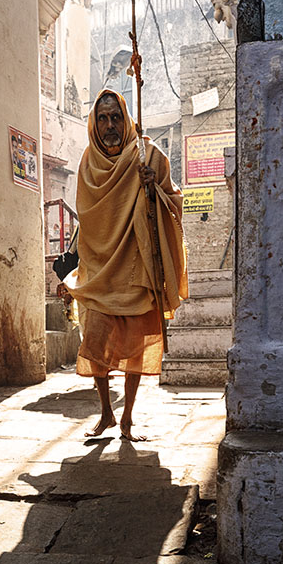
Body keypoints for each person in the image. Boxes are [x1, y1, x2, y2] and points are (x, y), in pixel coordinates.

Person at [61, 89, 187, 441]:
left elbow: (176, 203)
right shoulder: (89, 162)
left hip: (135, 268)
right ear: (93, 124)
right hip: (99, 270)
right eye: (102, 118)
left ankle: (128, 418)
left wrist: (155, 188)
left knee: (134, 348)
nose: (110, 125)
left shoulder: (148, 155)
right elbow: (87, 217)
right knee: (96, 344)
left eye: (116, 116)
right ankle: (106, 414)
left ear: (127, 119)